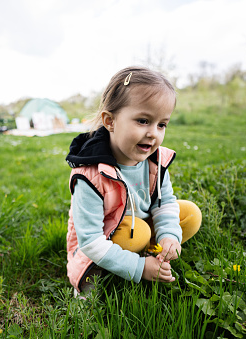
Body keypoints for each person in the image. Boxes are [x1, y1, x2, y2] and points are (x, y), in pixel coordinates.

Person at [65, 66, 202, 296]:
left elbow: (164, 202)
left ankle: (154, 252)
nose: (153, 133)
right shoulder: (90, 175)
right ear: (110, 121)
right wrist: (139, 269)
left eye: (161, 124)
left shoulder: (155, 161)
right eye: (143, 121)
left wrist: (169, 235)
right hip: (104, 241)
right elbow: (90, 242)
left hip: (140, 226)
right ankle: (135, 262)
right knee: (138, 232)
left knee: (190, 213)